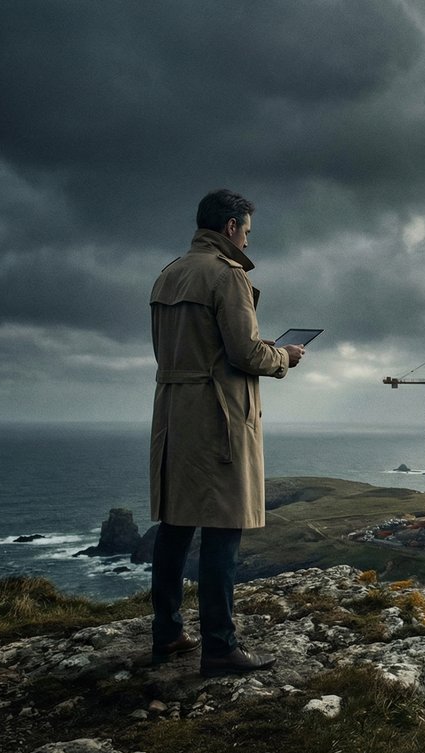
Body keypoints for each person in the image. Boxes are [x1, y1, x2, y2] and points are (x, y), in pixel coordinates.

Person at [148, 189, 306, 677]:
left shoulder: (169, 273)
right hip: (217, 415)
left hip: (173, 411)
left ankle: (168, 632)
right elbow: (244, 355)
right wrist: (284, 356)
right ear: (232, 227)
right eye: (248, 231)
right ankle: (219, 647)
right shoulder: (227, 275)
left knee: (174, 526)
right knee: (223, 528)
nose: (248, 240)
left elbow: (187, 346)